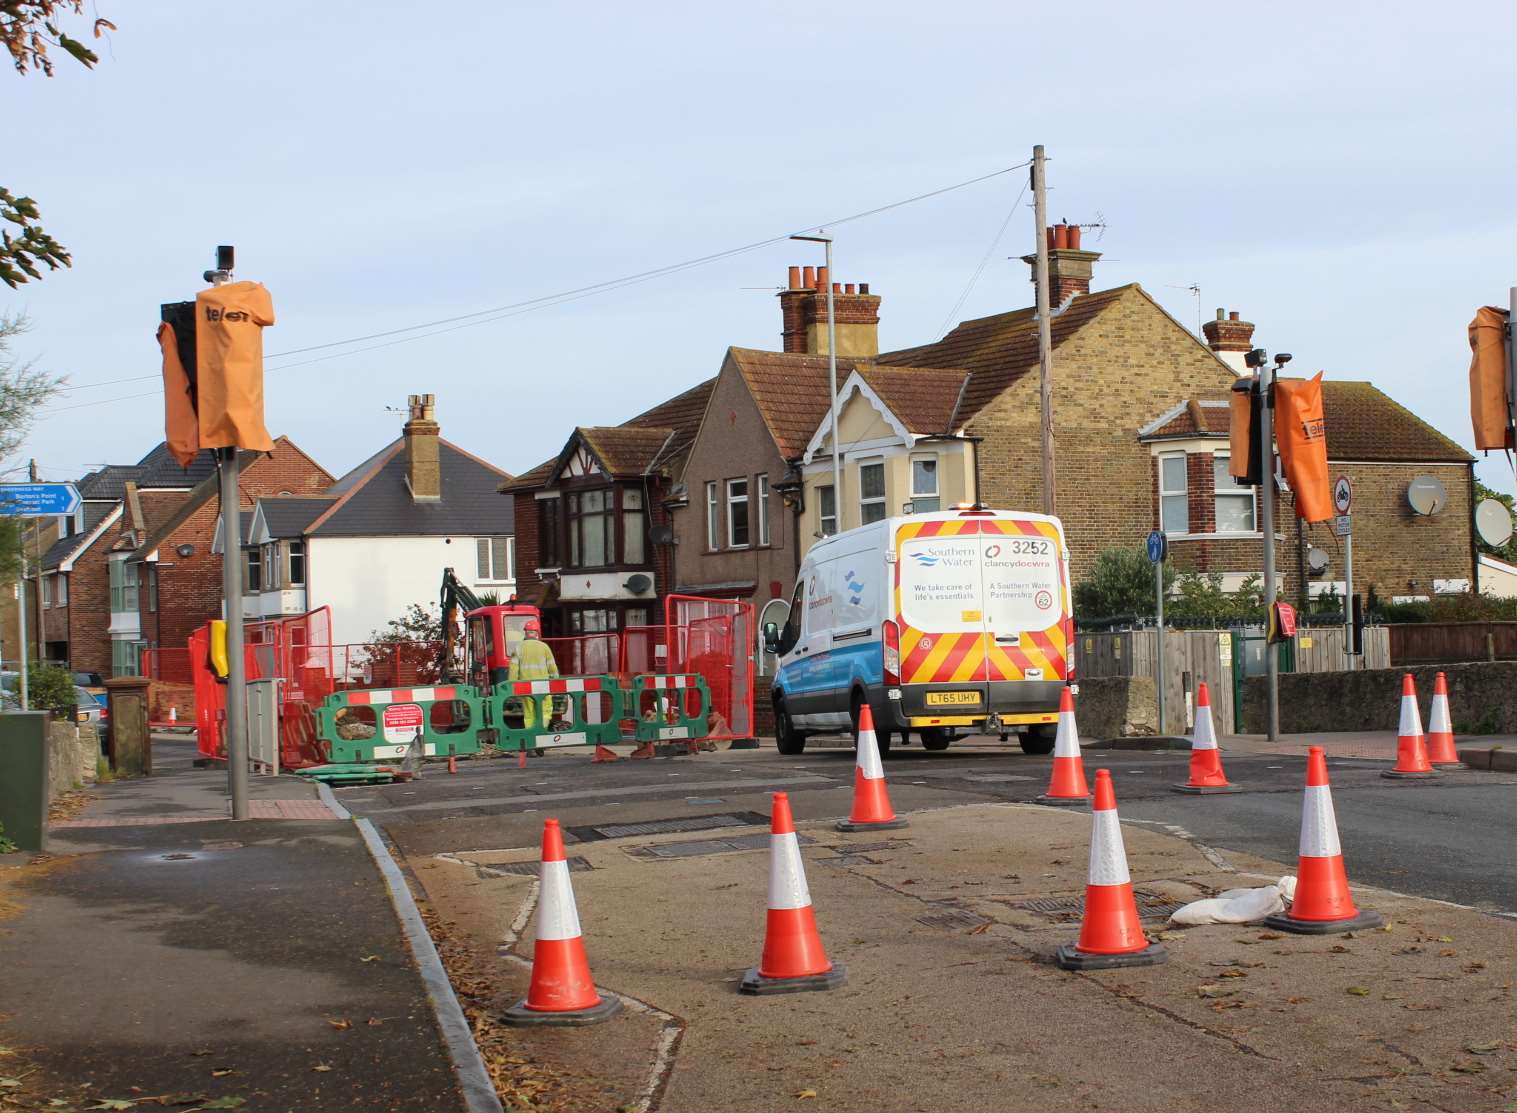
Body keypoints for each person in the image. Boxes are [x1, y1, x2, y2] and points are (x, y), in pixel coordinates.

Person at [508, 618, 561, 731]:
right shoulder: (544, 647)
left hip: (526, 686)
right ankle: (542, 732)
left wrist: (512, 685)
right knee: (545, 711)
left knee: (529, 713)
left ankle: (531, 737)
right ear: (537, 633)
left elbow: (513, 669)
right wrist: (556, 681)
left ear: (526, 632)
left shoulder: (519, 647)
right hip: (543, 686)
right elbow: (552, 666)